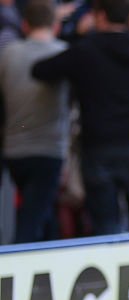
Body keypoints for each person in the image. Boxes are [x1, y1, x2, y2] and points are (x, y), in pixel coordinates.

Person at [31, 0, 129, 236]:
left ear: (100, 16)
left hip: (98, 144)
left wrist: (75, 33)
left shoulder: (87, 49)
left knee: (105, 222)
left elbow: (41, 70)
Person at [0, 0, 68, 244]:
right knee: (33, 216)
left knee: (41, 213)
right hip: (49, 148)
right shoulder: (64, 53)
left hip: (14, 148)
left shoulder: (9, 53)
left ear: (25, 24)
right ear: (56, 24)